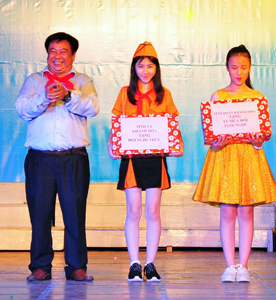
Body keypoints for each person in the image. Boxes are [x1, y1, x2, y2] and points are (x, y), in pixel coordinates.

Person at [192, 45, 276, 282]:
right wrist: (216, 143)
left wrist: (258, 141)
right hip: (225, 158)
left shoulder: (257, 98)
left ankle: (244, 266)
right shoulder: (218, 97)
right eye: (234, 67)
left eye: (243, 67)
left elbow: (263, 134)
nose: (239, 72)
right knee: (227, 211)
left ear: (250, 67)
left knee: (247, 211)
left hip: (250, 158)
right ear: (227, 68)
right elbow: (212, 137)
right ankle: (229, 265)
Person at [15, 32, 99, 281]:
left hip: (73, 158)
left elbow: (93, 107)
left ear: (73, 55)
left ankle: (76, 266)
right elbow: (22, 109)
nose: (57, 56)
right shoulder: (34, 80)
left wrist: (68, 95)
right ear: (47, 54)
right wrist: (45, 98)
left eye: (63, 51)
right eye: (53, 51)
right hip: (40, 159)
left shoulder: (83, 80)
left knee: (75, 212)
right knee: (39, 212)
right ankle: (40, 266)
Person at [108, 41, 184, 282]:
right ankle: (133, 263)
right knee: (133, 210)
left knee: (152, 211)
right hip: (131, 160)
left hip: (155, 161)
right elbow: (116, 124)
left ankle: (150, 263)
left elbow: (172, 125)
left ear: (156, 69)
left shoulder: (165, 94)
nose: (145, 71)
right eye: (141, 66)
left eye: (150, 66)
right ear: (134, 68)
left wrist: (176, 145)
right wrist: (112, 145)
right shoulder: (124, 93)